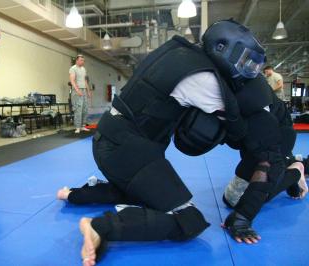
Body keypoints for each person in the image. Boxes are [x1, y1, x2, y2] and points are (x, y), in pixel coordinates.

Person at [58, 20, 253, 265]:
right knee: (189, 220)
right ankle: (99, 227)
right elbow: (238, 129)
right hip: (128, 150)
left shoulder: (177, 53)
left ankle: (75, 194)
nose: (248, 68)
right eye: (245, 60)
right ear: (226, 50)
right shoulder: (205, 78)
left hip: (107, 142)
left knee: (142, 194)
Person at [202, 20, 306, 244]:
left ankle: (296, 171)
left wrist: (241, 218)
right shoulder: (220, 77)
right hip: (254, 141)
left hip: (277, 137)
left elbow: (268, 158)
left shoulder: (254, 94)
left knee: (255, 189)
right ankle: (293, 163)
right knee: (231, 198)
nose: (248, 65)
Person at [69, 55, 92, 134]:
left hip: (84, 90)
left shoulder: (83, 69)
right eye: (81, 60)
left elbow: (85, 81)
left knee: (85, 109)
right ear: (77, 60)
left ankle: (83, 125)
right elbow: (72, 81)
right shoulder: (73, 68)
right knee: (78, 109)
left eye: (83, 60)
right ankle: (77, 127)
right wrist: (77, 90)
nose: (83, 62)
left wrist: (88, 91)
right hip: (77, 90)